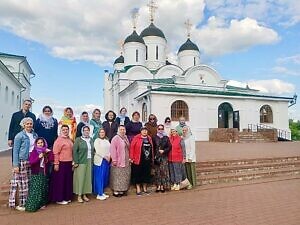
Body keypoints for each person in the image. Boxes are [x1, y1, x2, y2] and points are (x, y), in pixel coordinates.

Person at [9, 117, 38, 211]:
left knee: (30, 182)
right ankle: (22, 204)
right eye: (27, 124)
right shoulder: (19, 136)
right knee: (23, 183)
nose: (29, 125)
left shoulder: (35, 135)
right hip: (23, 160)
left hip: (32, 160)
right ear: (24, 125)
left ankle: (29, 202)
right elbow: (15, 151)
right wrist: (15, 165)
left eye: (31, 123)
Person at [25, 138, 53, 212]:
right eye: (38, 143)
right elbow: (31, 162)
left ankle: (42, 203)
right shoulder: (34, 152)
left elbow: (51, 160)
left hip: (44, 173)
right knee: (36, 189)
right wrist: (38, 157)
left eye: (42, 143)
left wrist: (50, 152)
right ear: (36, 144)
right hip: (36, 173)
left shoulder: (45, 152)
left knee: (43, 188)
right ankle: (32, 205)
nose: (40, 144)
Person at [48, 125, 73, 205]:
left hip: (69, 162)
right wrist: (56, 163)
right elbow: (56, 153)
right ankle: (59, 198)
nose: (65, 131)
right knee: (60, 181)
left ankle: (67, 197)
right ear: (61, 130)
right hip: (61, 163)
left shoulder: (69, 139)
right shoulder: (58, 140)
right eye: (64, 129)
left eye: (67, 129)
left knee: (67, 181)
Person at [130, 127, 154, 196]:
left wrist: (152, 158)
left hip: (147, 160)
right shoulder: (136, 138)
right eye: (143, 131)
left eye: (146, 131)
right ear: (140, 131)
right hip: (138, 159)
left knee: (146, 174)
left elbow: (152, 148)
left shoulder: (149, 138)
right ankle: (138, 189)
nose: (144, 132)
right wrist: (131, 158)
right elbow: (132, 148)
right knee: (137, 174)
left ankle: (145, 188)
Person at [73, 125, 94, 203]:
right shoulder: (78, 140)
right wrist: (76, 161)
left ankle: (84, 194)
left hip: (89, 161)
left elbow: (93, 151)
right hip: (81, 161)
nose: (86, 131)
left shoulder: (91, 139)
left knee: (87, 179)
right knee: (80, 178)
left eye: (88, 130)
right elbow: (74, 151)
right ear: (82, 131)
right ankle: (79, 195)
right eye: (85, 130)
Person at [109, 125, 131, 197]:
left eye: (124, 129)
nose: (122, 131)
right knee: (117, 176)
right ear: (118, 130)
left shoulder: (126, 137)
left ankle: (122, 190)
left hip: (126, 159)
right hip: (118, 159)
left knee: (124, 176)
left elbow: (128, 148)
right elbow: (112, 149)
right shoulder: (115, 138)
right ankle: (116, 191)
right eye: (121, 129)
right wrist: (114, 159)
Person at [93, 129, 111, 200]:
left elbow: (110, 149)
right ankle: (99, 194)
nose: (102, 133)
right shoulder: (96, 140)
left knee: (104, 177)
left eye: (103, 132)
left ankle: (102, 192)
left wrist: (109, 156)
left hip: (106, 161)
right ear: (98, 133)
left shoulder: (107, 140)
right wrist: (105, 156)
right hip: (99, 160)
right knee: (99, 177)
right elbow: (98, 151)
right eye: (101, 132)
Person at [153, 124, 171, 192]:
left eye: (161, 129)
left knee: (163, 172)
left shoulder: (166, 137)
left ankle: (163, 186)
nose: (160, 130)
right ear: (157, 129)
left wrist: (164, 151)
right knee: (157, 172)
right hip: (157, 157)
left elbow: (169, 147)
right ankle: (158, 186)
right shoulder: (154, 137)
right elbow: (153, 147)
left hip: (164, 156)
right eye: (159, 129)